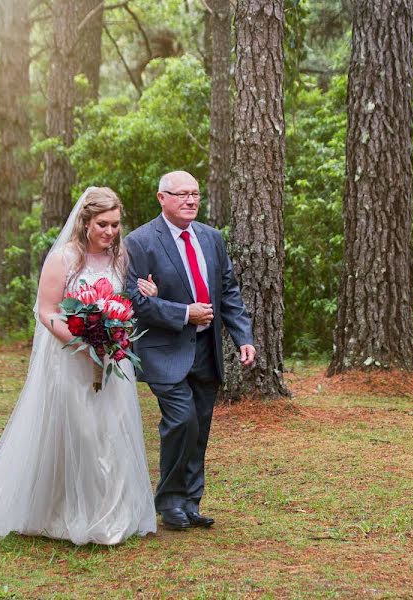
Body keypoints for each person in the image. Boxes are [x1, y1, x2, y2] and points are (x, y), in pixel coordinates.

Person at [0, 187, 159, 545]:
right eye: (103, 224)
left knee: (112, 430)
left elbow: (126, 301)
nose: (110, 232)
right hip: (71, 359)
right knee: (81, 431)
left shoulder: (120, 257)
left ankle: (111, 513)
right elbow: (46, 310)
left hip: (112, 360)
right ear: (86, 222)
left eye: (115, 225)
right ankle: (64, 510)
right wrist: (80, 342)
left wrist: (140, 300)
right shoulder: (64, 258)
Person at [123, 171, 255, 531]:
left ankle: (190, 503)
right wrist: (184, 313)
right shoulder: (140, 242)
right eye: (181, 194)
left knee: (201, 427)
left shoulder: (212, 239)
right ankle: (169, 503)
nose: (191, 200)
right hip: (163, 350)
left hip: (206, 349)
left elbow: (227, 291)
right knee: (182, 421)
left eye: (195, 193)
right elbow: (133, 300)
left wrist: (244, 336)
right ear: (161, 197)